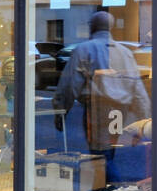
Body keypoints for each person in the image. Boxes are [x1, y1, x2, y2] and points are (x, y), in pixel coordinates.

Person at [51, 11, 150, 153]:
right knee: (113, 149)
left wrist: (60, 112)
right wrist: (144, 120)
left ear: (92, 27)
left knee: (99, 153)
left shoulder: (84, 49)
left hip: (97, 110)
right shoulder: (125, 53)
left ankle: (105, 173)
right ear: (111, 27)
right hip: (121, 111)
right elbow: (138, 90)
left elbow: (69, 86)